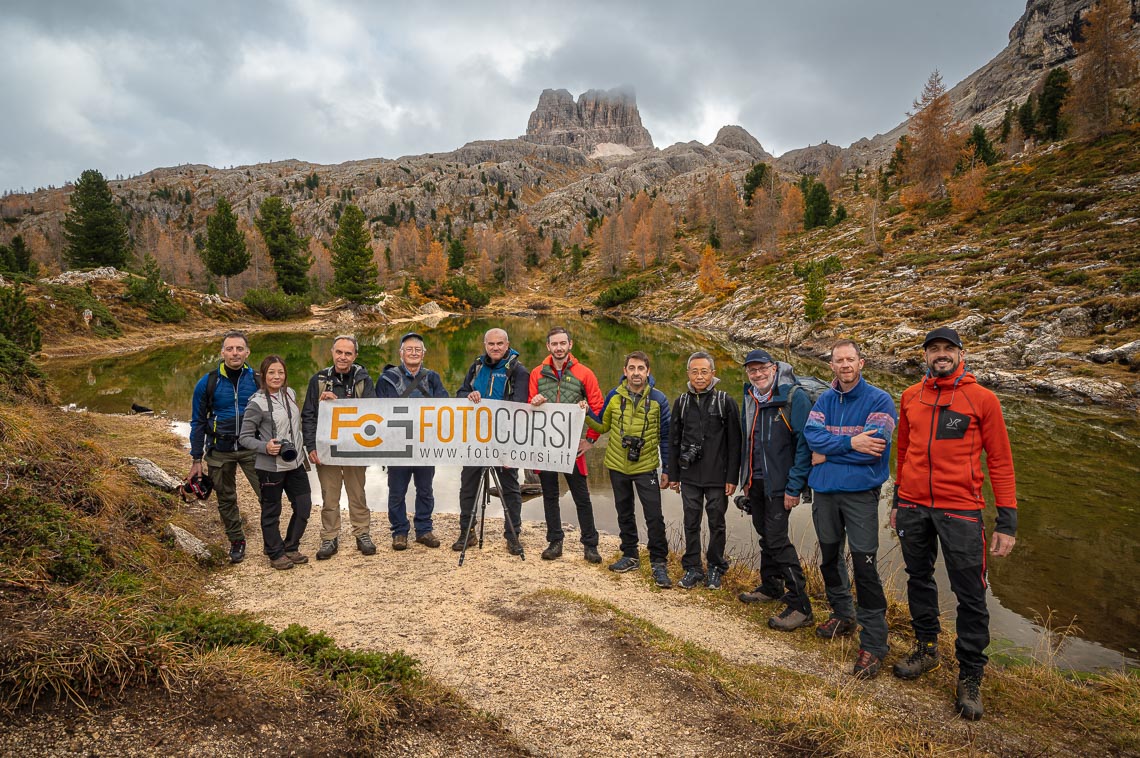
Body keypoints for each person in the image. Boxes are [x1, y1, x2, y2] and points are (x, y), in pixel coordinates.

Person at [891, 327, 1018, 721]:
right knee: (918, 578)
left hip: (961, 510)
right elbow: (905, 450)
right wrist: (897, 499)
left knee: (971, 591)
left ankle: (970, 674)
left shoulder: (983, 399)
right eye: (934, 350)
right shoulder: (911, 396)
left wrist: (1006, 521)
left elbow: (999, 461)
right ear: (925, 355)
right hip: (913, 506)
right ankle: (926, 649)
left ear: (961, 353)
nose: (940, 355)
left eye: (948, 349)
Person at [804, 339, 897, 679]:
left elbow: (875, 447)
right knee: (829, 557)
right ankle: (843, 614)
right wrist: (848, 442)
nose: (844, 364)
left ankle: (873, 644)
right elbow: (812, 437)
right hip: (825, 491)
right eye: (838, 360)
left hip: (859, 494)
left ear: (861, 363)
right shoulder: (825, 399)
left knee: (865, 566)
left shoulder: (879, 400)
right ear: (831, 366)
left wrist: (831, 452)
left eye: (850, 359)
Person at [736, 349, 814, 631]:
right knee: (765, 536)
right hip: (755, 482)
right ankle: (771, 586)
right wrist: (744, 481)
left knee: (778, 541)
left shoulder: (793, 397)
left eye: (762, 369)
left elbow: (805, 445)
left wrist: (795, 487)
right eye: (752, 370)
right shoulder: (751, 398)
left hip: (781, 486)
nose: (757, 374)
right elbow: (749, 442)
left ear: (774, 368)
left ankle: (801, 605)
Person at [582, 351, 672, 587]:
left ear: (648, 372)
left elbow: (667, 437)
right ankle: (630, 555)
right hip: (616, 464)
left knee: (654, 516)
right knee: (624, 512)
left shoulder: (659, 399)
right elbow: (602, 426)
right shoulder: (614, 395)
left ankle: (659, 562)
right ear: (625, 371)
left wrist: (668, 469)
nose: (636, 373)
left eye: (640, 368)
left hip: (646, 466)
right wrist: (586, 413)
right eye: (631, 368)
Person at [528, 326, 604, 563]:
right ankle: (555, 541)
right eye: (554, 344)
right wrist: (534, 401)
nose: (559, 348)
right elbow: (527, 405)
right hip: (545, 445)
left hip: (572, 445)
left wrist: (591, 439)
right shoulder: (537, 373)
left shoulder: (585, 373)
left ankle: (590, 545)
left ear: (570, 345)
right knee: (550, 494)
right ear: (548, 347)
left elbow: (598, 408)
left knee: (581, 496)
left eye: (563, 343)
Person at [667, 351, 741, 591]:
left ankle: (716, 567)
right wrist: (674, 475)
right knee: (691, 521)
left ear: (713, 373)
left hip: (717, 475)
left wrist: (732, 477)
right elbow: (674, 440)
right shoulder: (682, 402)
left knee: (717, 522)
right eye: (695, 371)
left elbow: (735, 442)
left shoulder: (725, 401)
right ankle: (692, 567)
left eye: (704, 371)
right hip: (689, 474)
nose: (699, 376)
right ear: (688, 374)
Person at [453, 327, 529, 554]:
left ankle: (513, 535)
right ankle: (467, 532)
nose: (495, 348)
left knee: (510, 488)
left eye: (499, 344)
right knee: (468, 486)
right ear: (485, 345)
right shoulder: (476, 366)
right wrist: (469, 395)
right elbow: (460, 393)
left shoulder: (517, 370)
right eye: (491, 344)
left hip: (504, 440)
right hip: (475, 438)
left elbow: (519, 406)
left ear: (507, 345)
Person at [301, 335, 377, 560]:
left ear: (355, 356)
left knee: (357, 493)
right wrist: (311, 445)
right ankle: (329, 537)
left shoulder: (364, 379)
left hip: (355, 448)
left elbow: (374, 413)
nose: (343, 357)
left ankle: (362, 533)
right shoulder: (318, 380)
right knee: (329, 495)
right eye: (339, 352)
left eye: (348, 353)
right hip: (327, 448)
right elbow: (308, 415)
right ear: (332, 352)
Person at [188, 330, 261, 564]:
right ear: (222, 352)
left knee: (267, 493)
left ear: (247, 352)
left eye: (239, 348)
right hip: (220, 449)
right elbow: (198, 422)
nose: (235, 353)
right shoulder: (208, 382)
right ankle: (236, 541)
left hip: (252, 448)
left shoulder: (258, 380)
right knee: (226, 498)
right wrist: (196, 459)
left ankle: (272, 537)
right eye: (229, 349)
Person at [377, 332, 450, 550]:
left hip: (425, 444)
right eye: (409, 349)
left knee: (425, 489)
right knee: (397, 491)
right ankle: (399, 531)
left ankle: (424, 529)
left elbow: (445, 407)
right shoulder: (387, 379)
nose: (413, 353)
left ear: (424, 354)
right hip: (397, 445)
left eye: (418, 350)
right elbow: (377, 411)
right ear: (401, 353)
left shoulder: (433, 377)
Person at [238, 355, 312, 570]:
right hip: (270, 466)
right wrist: (265, 447)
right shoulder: (256, 403)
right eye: (271, 372)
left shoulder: (290, 394)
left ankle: (290, 546)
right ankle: (275, 552)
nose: (276, 376)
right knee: (272, 510)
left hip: (295, 462)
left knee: (304, 505)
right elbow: (244, 437)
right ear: (263, 375)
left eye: (280, 372)